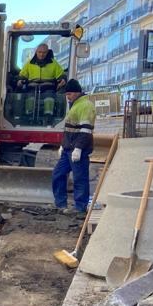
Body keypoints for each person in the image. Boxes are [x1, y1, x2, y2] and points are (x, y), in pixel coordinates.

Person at [52, 79, 96, 213]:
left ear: (77, 93)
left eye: (69, 94)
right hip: (68, 148)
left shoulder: (85, 106)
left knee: (80, 178)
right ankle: (60, 204)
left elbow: (86, 130)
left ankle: (80, 208)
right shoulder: (75, 105)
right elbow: (69, 129)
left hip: (77, 150)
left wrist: (79, 148)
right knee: (58, 175)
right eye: (67, 94)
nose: (67, 97)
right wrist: (63, 145)